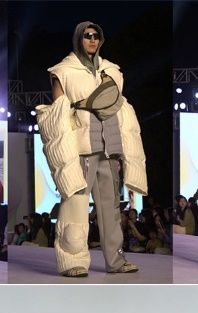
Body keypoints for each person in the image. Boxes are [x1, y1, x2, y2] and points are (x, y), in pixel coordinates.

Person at [38, 21, 144, 277]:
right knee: (75, 205)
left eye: (96, 36)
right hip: (82, 148)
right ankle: (72, 261)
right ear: (79, 38)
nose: (92, 40)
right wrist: (64, 153)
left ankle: (115, 261)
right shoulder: (63, 71)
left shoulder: (112, 71)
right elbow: (58, 115)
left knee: (111, 208)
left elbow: (121, 108)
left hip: (110, 146)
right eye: (87, 35)